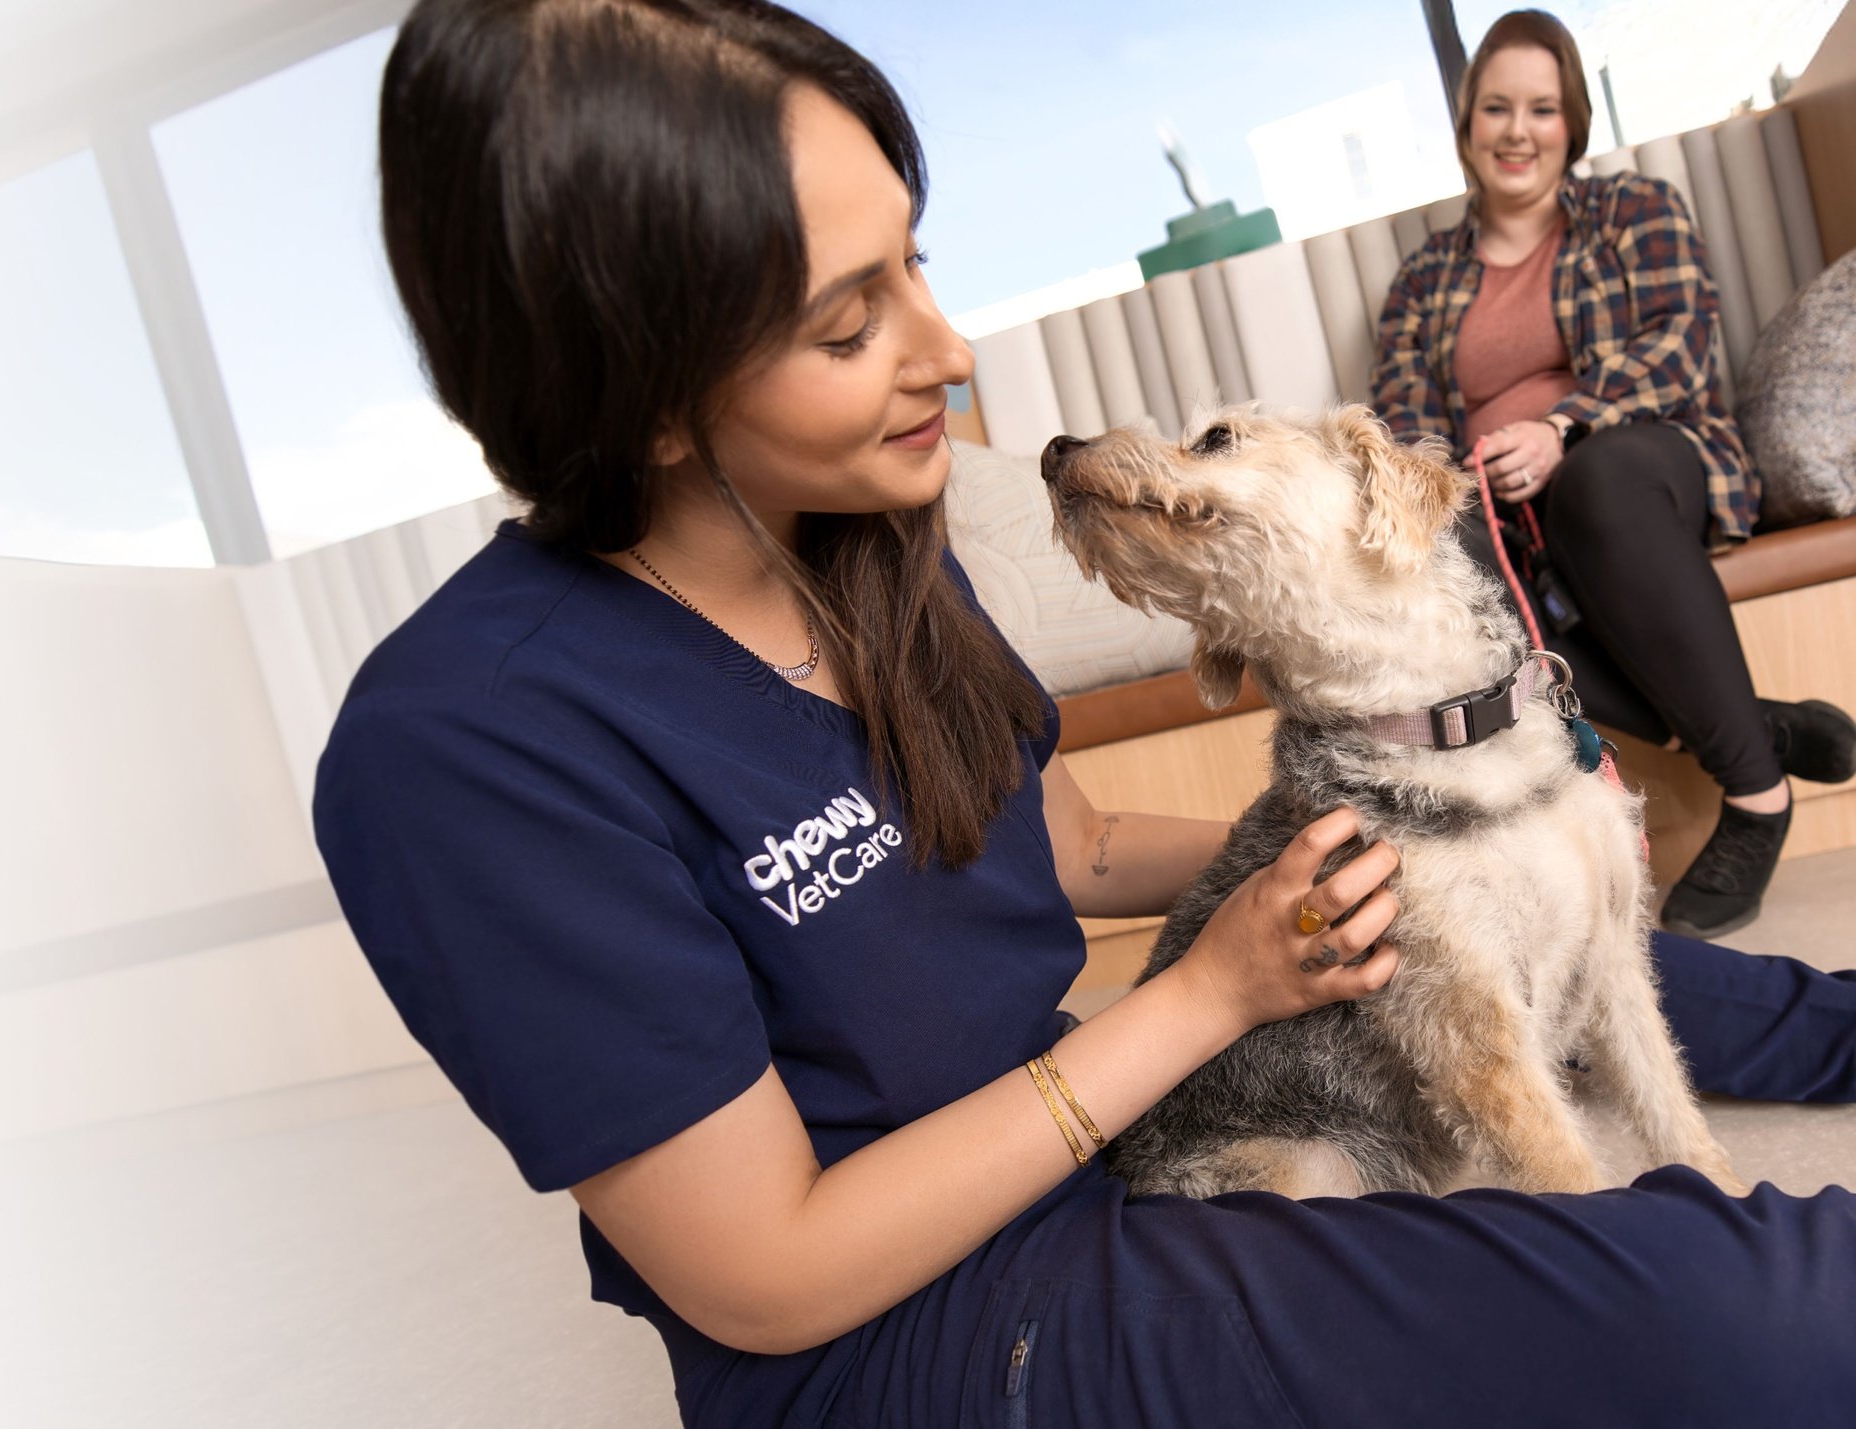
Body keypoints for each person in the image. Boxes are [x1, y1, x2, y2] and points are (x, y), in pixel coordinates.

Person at [314, 2, 1856, 1425]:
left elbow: (1080, 842)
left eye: (914, 265)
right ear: (632, 388)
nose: (947, 352)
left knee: (1533, 918)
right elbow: (765, 1278)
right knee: (1752, 1314)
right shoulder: (469, 744)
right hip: (921, 1321)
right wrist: (1204, 997)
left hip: (1095, 1127)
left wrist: (1395, 855)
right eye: (849, 326)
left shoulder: (867, 555)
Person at [1371, 8, 1856, 937]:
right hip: (1504, 513)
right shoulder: (1421, 283)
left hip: (1643, 466)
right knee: (1446, 563)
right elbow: (1405, 433)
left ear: (1572, 124)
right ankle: (1750, 728)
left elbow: (1680, 345)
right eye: (1496, 109)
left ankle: (1756, 796)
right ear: (1467, 126)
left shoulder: (1636, 210)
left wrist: (1562, 425)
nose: (1518, 131)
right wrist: (1465, 483)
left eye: (1541, 109)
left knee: (1595, 481)